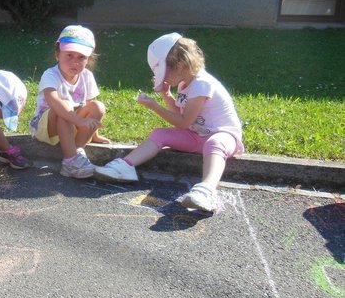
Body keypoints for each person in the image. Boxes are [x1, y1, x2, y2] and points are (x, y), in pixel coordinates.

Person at [94, 33, 244, 213]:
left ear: (179, 66)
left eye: (164, 72)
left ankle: (207, 190)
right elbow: (180, 113)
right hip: (196, 135)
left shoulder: (202, 84)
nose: (163, 78)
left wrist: (155, 107)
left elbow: (183, 122)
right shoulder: (185, 83)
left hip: (223, 136)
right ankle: (126, 166)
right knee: (160, 134)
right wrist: (166, 94)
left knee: (215, 143)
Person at [29, 25, 109, 179]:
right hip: (46, 127)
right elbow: (53, 100)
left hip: (71, 125)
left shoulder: (87, 76)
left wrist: (94, 134)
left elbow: (89, 105)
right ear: (57, 55)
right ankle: (70, 161)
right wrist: (79, 120)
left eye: (81, 57)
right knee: (64, 105)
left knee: (97, 106)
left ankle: (75, 154)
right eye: (69, 55)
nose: (75, 62)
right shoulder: (50, 75)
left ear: (89, 59)